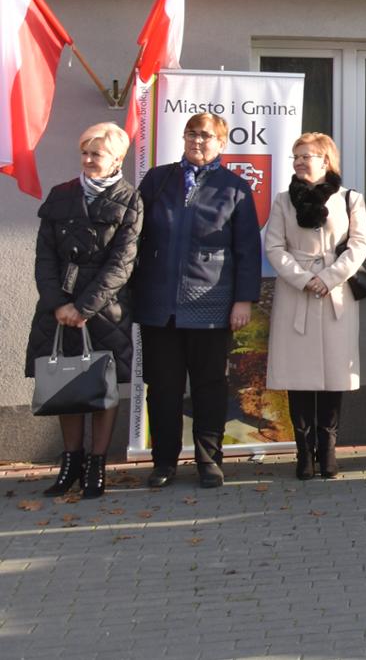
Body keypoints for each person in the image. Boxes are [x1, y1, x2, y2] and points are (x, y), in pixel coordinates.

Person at [129, 112, 261, 490]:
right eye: (191, 133)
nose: (197, 141)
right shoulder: (158, 179)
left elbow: (248, 250)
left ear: (221, 142)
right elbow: (132, 236)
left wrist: (243, 300)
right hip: (159, 306)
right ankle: (164, 462)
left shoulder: (235, 187)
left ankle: (208, 461)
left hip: (211, 306)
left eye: (205, 135)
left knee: (209, 387)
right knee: (163, 388)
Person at [28, 123, 142, 499]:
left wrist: (84, 308)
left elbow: (122, 263)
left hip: (105, 310)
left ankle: (97, 465)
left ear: (117, 159)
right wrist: (58, 304)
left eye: (97, 154)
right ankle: (71, 463)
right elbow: (45, 257)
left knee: (102, 386)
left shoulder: (130, 199)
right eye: (85, 153)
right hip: (58, 308)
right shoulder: (61, 194)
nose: (89, 160)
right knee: (66, 382)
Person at [263, 132, 366, 480]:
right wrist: (302, 278)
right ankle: (303, 452)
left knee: (333, 376)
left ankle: (327, 450)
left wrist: (329, 277)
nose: (298, 162)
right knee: (298, 376)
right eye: (295, 156)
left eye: (305, 156)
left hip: (335, 295)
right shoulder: (283, 201)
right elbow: (274, 246)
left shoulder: (350, 199)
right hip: (296, 295)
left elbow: (360, 244)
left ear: (325, 160)